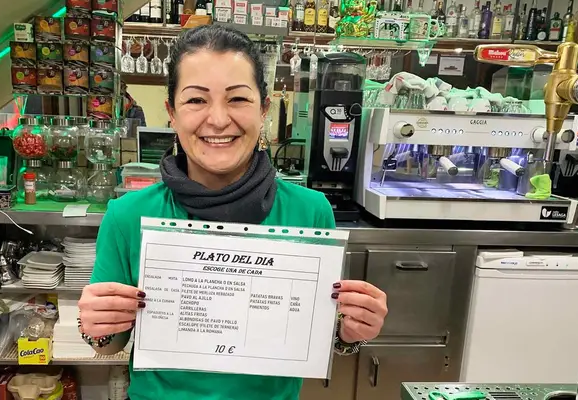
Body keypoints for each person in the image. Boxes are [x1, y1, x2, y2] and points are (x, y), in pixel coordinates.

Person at [78, 25, 388, 400]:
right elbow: (109, 344)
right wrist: (98, 325)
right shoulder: (128, 215)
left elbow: (323, 333)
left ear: (263, 109)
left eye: (237, 99)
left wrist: (351, 331)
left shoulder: (310, 212)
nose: (218, 119)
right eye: (196, 100)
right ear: (172, 113)